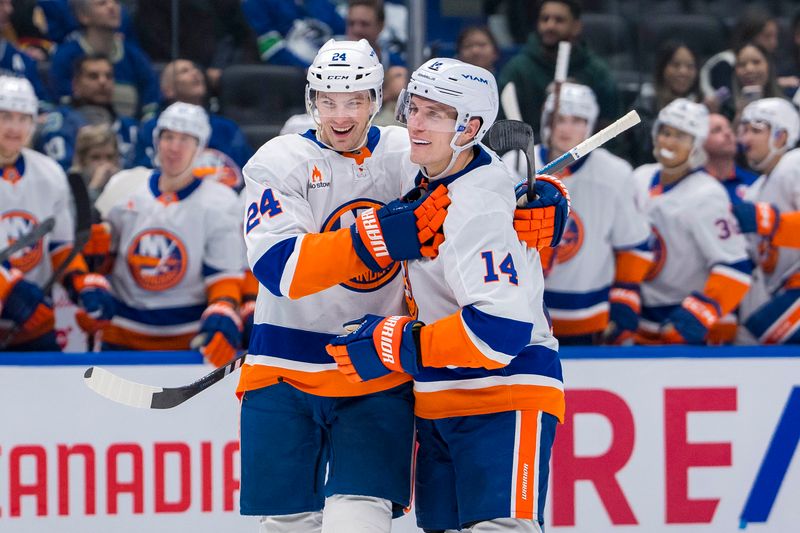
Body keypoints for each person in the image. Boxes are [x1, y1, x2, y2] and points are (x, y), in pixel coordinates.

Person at [326, 57, 565, 533]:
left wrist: (399, 345)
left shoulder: (476, 206)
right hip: (440, 398)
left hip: (504, 397)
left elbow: (501, 330)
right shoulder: (434, 174)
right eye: (414, 108)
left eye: (436, 114)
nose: (415, 122)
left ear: (470, 126)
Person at [95, 102, 244, 364]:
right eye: (168, 137)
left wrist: (223, 307)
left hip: (187, 339)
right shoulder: (124, 187)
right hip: (121, 335)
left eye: (185, 139)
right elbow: (101, 260)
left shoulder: (219, 202)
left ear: (199, 147)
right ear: (156, 140)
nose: (174, 147)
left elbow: (224, 276)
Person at [506, 83, 652, 344]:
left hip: (590, 315)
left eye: (577, 120)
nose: (566, 128)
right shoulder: (513, 166)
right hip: (522, 314)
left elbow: (633, 244)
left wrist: (625, 297)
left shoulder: (615, 173)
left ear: (591, 125)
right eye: (559, 119)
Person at [0, 75, 115, 350]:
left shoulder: (49, 173)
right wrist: (9, 289)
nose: (15, 128)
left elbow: (60, 246)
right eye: (5, 117)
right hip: (24, 308)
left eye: (23, 118)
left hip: (33, 325)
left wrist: (80, 282)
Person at [632, 99, 752, 345]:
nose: (670, 141)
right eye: (665, 132)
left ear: (696, 145)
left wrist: (696, 316)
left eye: (681, 136)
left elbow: (735, 267)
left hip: (689, 323)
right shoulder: (640, 177)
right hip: (643, 319)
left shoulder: (707, 194)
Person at [730, 98, 800, 344]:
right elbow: (748, 257)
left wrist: (770, 221)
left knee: (753, 336)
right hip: (781, 289)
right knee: (743, 335)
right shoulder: (754, 190)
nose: (745, 139)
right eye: (744, 130)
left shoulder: (796, 164)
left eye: (756, 130)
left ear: (781, 136)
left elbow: (767, 222)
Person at [498, 0, 620, 135]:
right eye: (545, 19)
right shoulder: (517, 70)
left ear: (576, 26)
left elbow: (612, 129)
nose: (550, 25)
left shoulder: (597, 72)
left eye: (559, 20)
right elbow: (501, 127)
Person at [133, 59, 254, 190]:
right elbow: (142, 175)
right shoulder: (152, 128)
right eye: (184, 71)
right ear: (167, 90)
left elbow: (247, 175)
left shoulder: (227, 128)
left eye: (195, 69)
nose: (195, 73)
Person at [49, 0, 160, 119]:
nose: (112, 7)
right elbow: (62, 103)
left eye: (116, 2)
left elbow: (151, 102)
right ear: (83, 16)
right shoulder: (65, 57)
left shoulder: (136, 56)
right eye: (102, 3)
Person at [37, 53, 138, 171]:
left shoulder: (130, 127)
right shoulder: (60, 122)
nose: (103, 81)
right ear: (76, 84)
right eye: (93, 76)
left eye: (109, 76)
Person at [631, 41, 700, 166]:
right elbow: (643, 144)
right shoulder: (646, 101)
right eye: (675, 65)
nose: (683, 72)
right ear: (662, 68)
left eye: (690, 66)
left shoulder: (702, 104)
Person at [346, 0, 407, 127]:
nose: (357, 29)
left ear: (381, 26)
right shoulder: (329, 60)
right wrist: (386, 93)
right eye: (351, 24)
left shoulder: (395, 61)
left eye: (364, 24)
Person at [700, 6, 779, 104]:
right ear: (750, 35)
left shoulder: (768, 61)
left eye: (775, 36)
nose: (774, 43)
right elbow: (727, 104)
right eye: (767, 36)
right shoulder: (724, 62)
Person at [241, 0, 345, 67]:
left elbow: (342, 37)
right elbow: (270, 48)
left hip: (328, 73)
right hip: (287, 80)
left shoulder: (323, 4)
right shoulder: (257, 3)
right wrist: (308, 70)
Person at [720, 42, 785, 123]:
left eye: (756, 62)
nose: (749, 69)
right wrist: (739, 117)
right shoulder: (726, 108)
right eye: (742, 64)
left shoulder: (785, 105)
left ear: (768, 65)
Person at [0, 0, 50, 101]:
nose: (9, 10)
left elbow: (41, 102)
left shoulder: (22, 59)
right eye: (1, 4)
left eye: (9, 4)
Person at [703, 112, 757, 205]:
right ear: (701, 141)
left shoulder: (754, 183)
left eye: (729, 128)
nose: (727, 133)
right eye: (717, 130)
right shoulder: (690, 184)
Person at [70, 123, 120, 205]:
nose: (104, 164)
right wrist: (94, 187)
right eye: (95, 157)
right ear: (82, 160)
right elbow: (84, 215)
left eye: (110, 157)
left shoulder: (123, 182)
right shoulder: (72, 184)